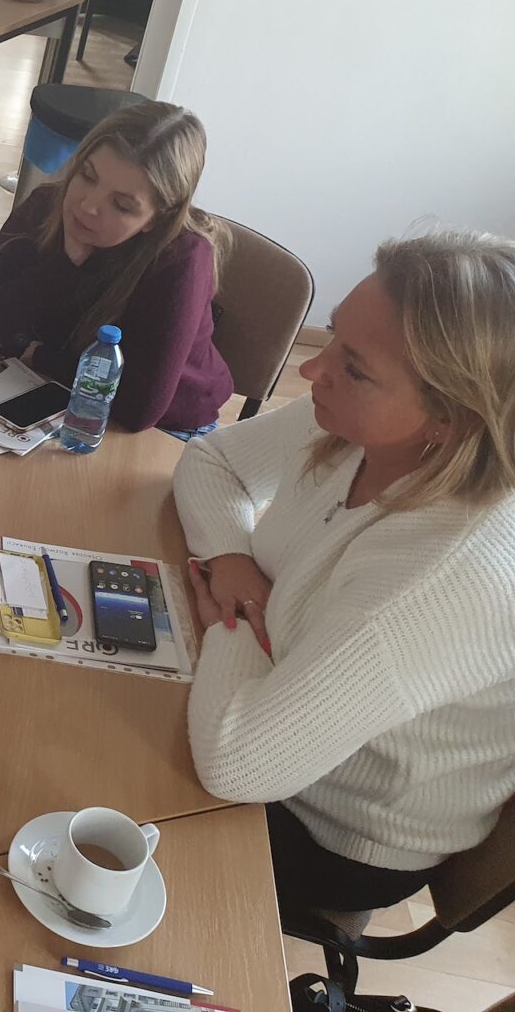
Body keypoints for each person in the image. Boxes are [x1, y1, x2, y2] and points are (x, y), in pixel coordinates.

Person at [175, 230, 515, 917]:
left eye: (353, 367)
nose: (312, 370)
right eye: (332, 337)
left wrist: (232, 624)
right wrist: (233, 561)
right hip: (266, 713)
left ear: (449, 418)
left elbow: (238, 765)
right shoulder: (364, 425)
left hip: (331, 828)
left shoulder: (441, 576)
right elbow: (213, 461)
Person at [0, 102, 232, 437]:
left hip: (163, 429)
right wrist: (62, 268)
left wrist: (42, 357)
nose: (88, 206)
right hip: (45, 387)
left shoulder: (182, 259)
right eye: (87, 176)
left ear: (157, 219)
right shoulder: (43, 207)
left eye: (121, 205)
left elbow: (139, 410)